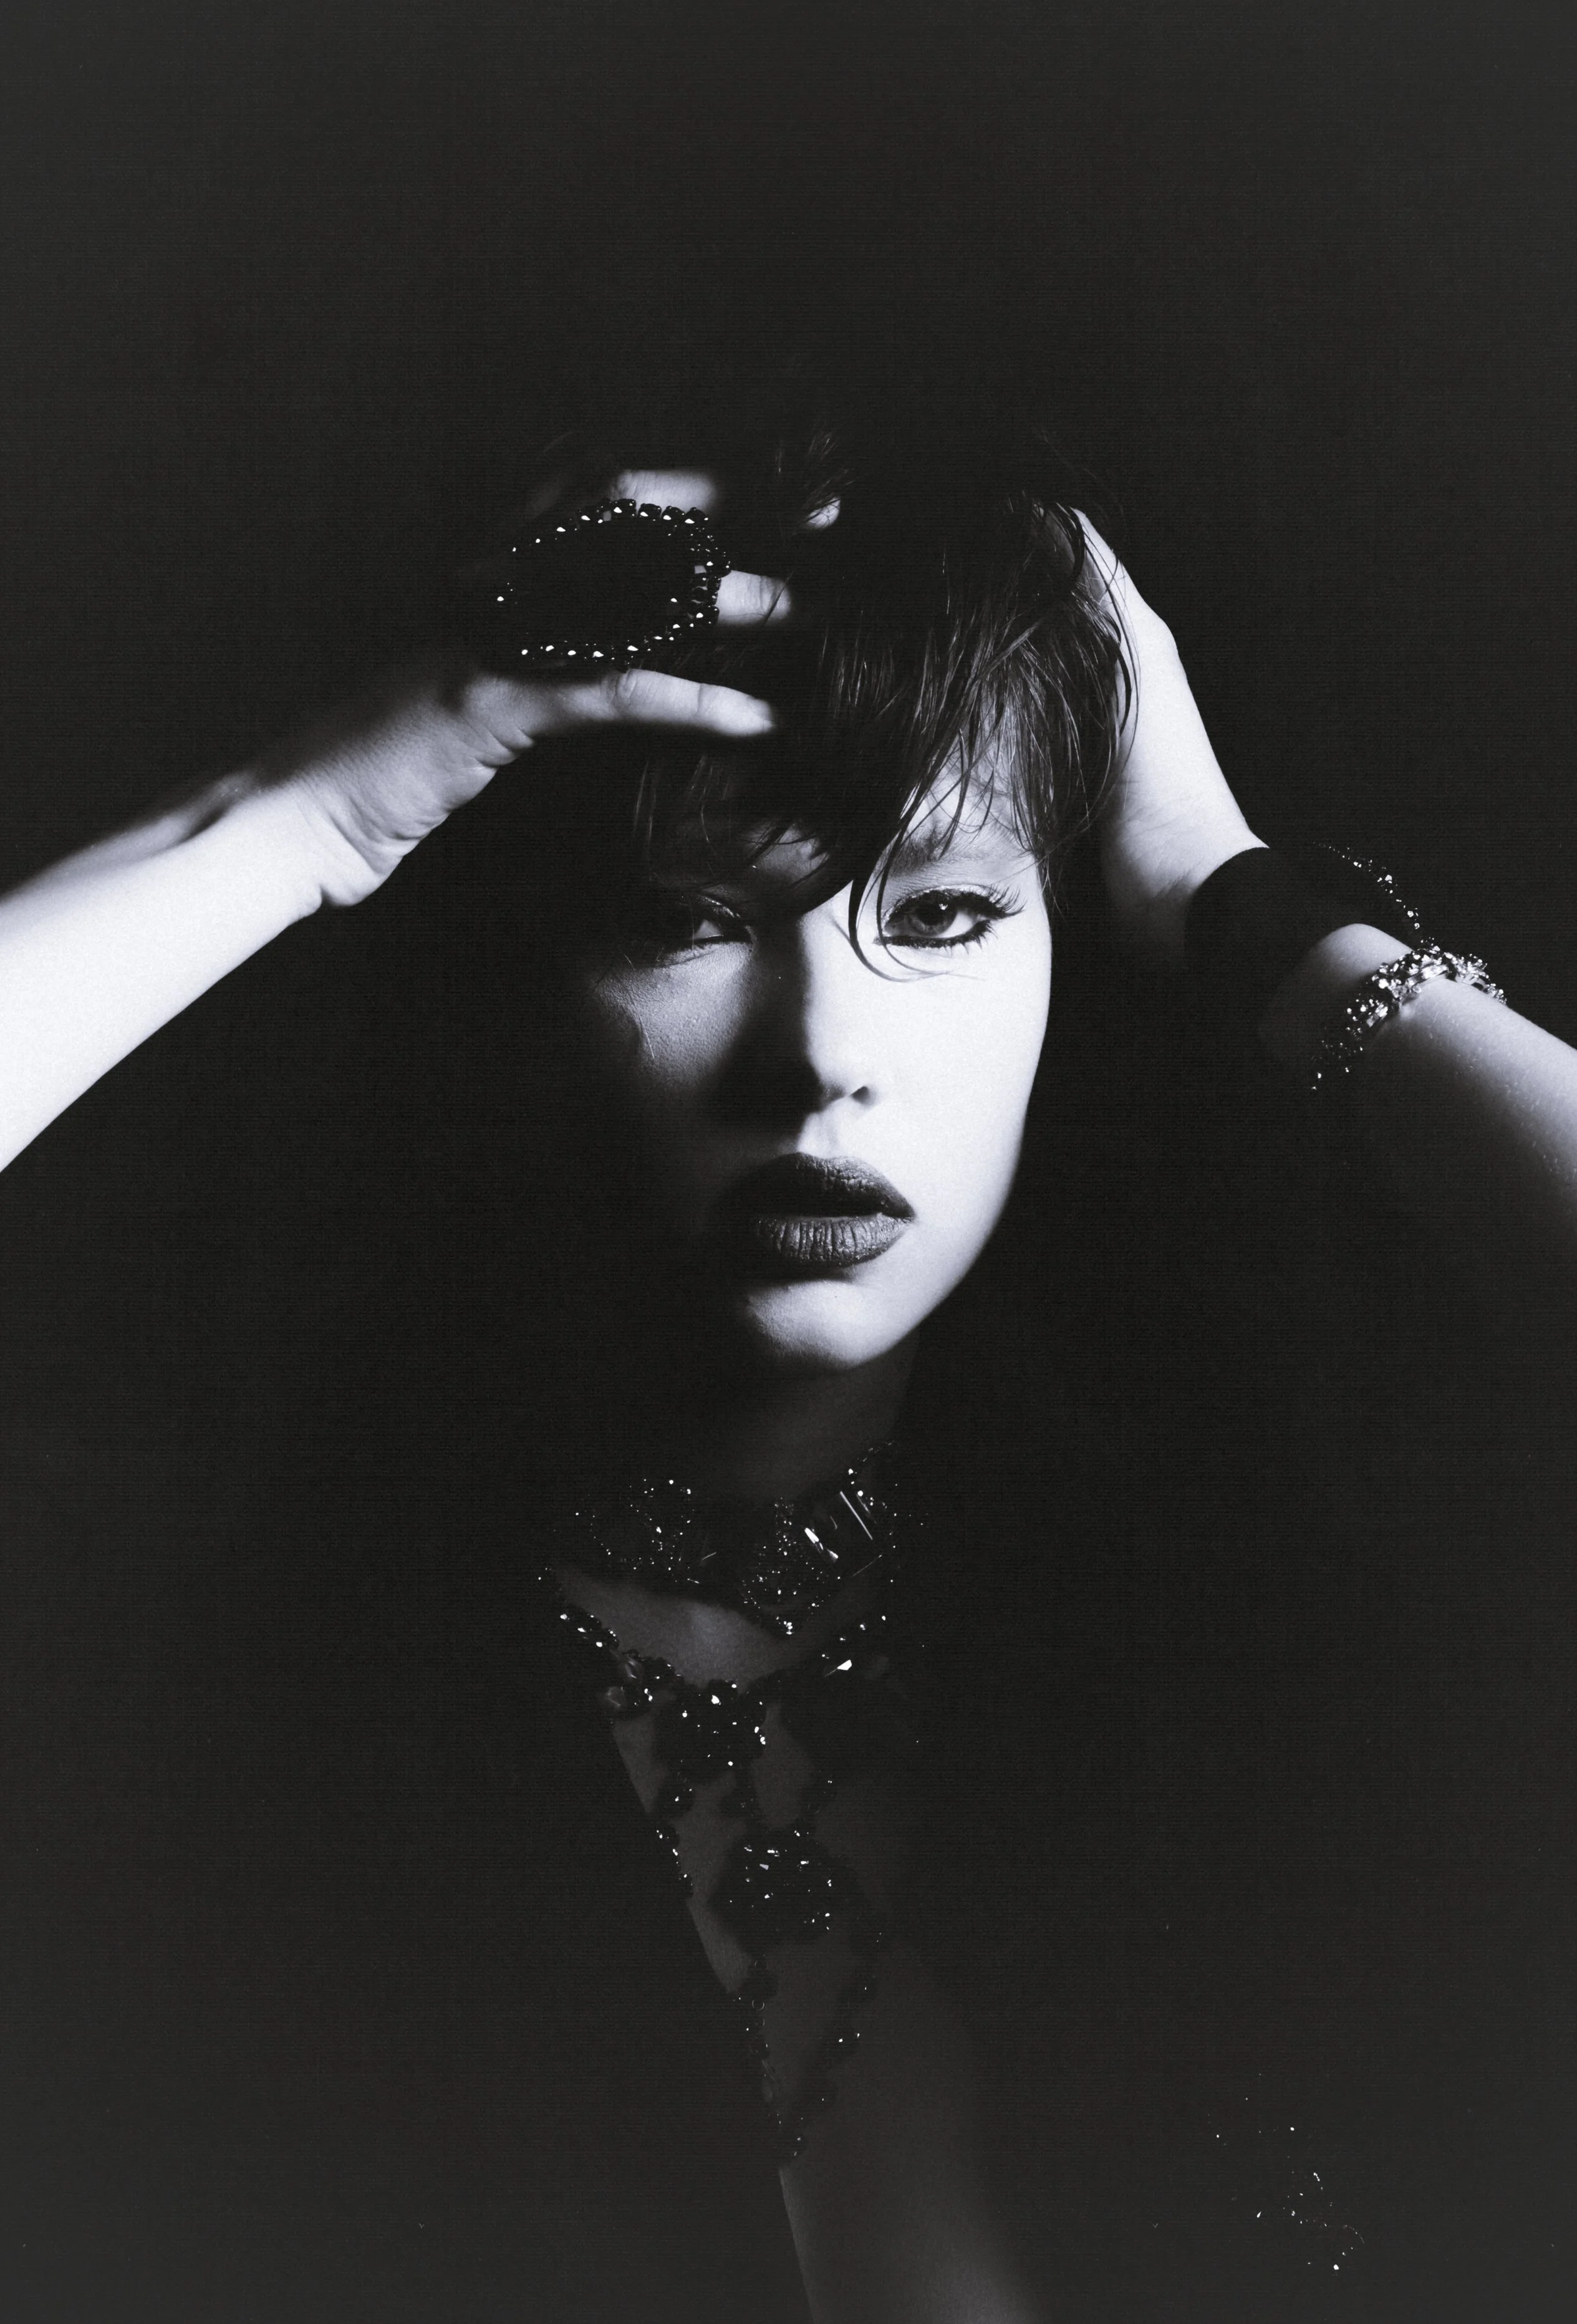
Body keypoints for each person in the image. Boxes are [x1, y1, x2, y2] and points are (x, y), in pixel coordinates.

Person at [1, 404, 1574, 2322]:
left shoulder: (1244, 1609)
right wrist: (307, 821)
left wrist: (1246, 905)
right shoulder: (215, 1664)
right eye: (688, 921)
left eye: (945, 911)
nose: (821, 1048)